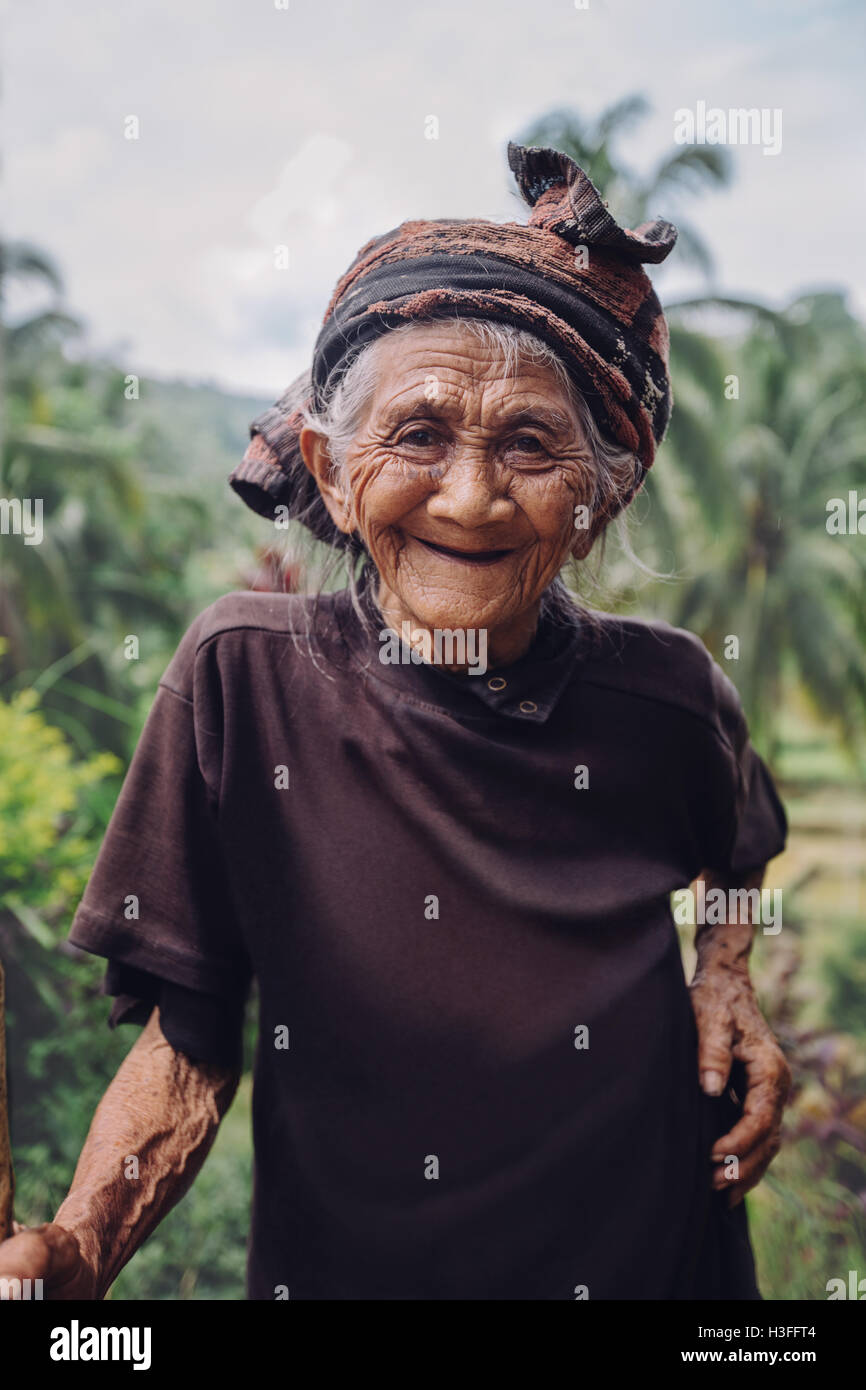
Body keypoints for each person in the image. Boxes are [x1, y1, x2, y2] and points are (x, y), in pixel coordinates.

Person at [0, 143, 790, 1301]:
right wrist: (81, 1245)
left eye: (527, 444)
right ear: (328, 469)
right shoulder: (242, 682)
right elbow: (191, 1041)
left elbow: (740, 843)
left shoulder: (666, 696)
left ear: (596, 495)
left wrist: (727, 973)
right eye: (417, 435)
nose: (467, 498)